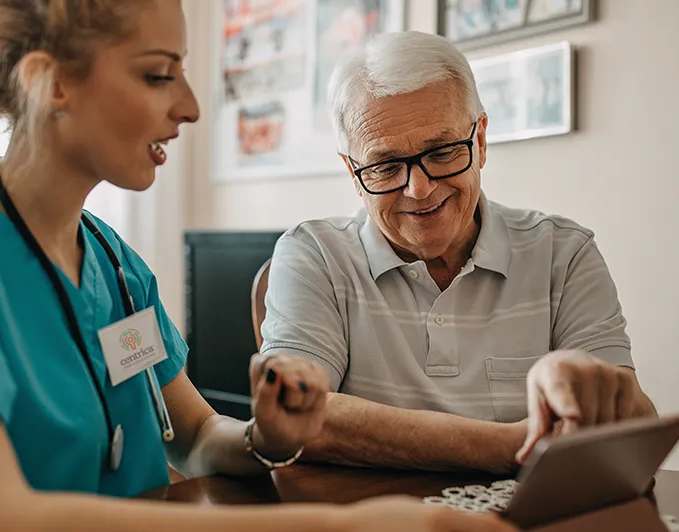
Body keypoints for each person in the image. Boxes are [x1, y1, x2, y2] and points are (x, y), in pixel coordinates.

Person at [0, 2, 515, 531]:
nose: (191, 106)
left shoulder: (112, 263)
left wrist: (267, 439)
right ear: (49, 82)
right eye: (159, 73)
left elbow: (192, 437)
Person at [259, 30, 657, 475]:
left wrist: (594, 388)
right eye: (386, 166)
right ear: (353, 173)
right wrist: (511, 446)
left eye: (443, 152)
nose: (419, 189)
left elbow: (631, 429)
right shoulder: (313, 254)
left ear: (481, 142)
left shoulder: (563, 252)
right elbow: (298, 417)